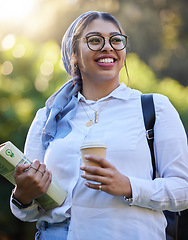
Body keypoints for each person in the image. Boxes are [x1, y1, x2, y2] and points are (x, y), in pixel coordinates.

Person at [10, 11, 188, 240]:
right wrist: (22, 195)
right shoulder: (47, 118)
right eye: (94, 40)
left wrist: (129, 187)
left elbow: (183, 190)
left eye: (116, 40)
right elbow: (29, 213)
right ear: (73, 54)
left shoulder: (154, 108)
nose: (107, 47)